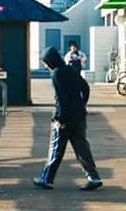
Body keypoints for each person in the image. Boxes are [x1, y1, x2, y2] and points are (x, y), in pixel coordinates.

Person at [32, 46, 103, 191]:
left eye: (45, 62)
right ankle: (93, 177)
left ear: (50, 61)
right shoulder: (72, 70)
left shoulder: (56, 74)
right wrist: (82, 104)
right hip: (79, 116)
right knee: (81, 147)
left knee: (56, 149)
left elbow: (61, 98)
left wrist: (59, 118)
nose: (45, 65)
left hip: (65, 118)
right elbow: (85, 88)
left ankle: (47, 179)